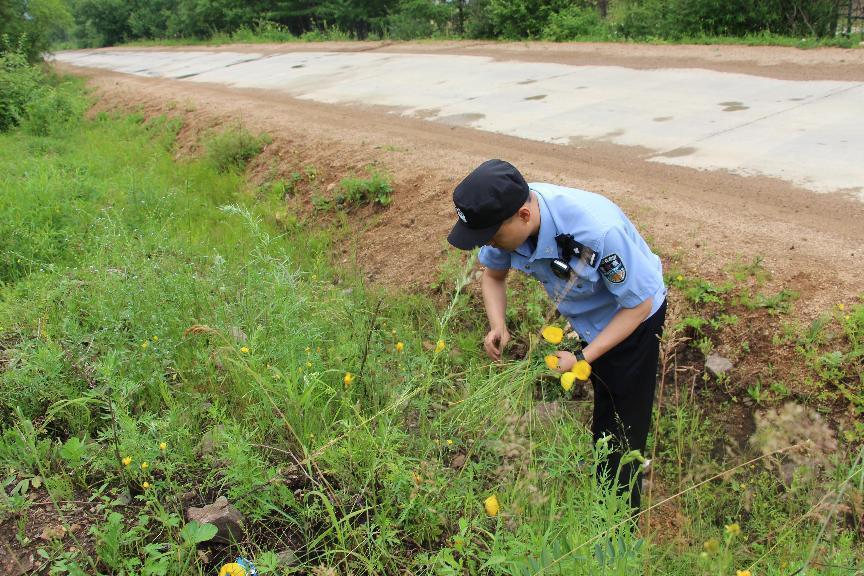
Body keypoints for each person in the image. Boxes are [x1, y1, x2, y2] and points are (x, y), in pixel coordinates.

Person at [447, 159, 667, 511]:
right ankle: (605, 460)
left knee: (623, 428)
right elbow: (493, 276)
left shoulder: (598, 231)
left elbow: (639, 306)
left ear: (522, 215)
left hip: (633, 320)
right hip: (588, 319)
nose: (488, 244)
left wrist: (583, 358)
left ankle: (616, 526)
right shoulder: (504, 216)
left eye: (491, 236)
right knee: (606, 411)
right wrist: (498, 324)